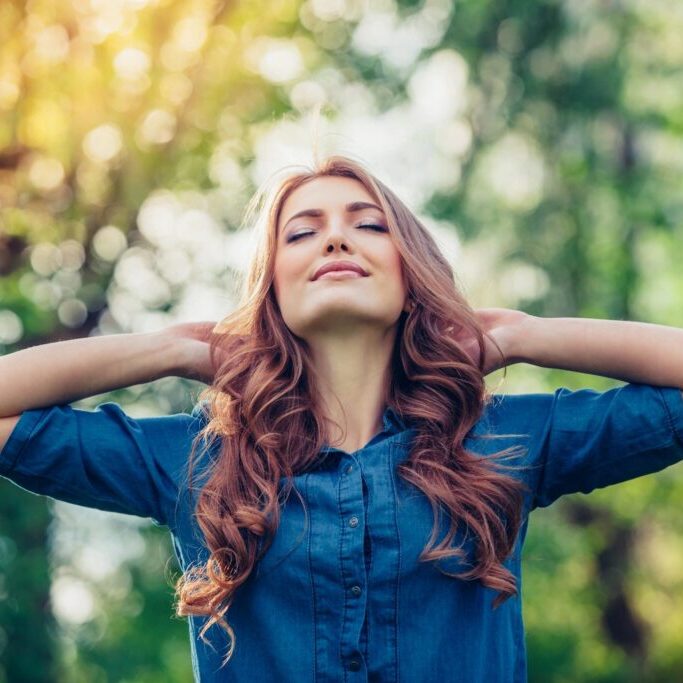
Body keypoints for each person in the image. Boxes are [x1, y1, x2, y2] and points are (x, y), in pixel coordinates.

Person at [1, 154, 682, 683]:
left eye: (367, 224)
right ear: (272, 288)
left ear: (409, 272)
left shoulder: (506, 442)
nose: (334, 239)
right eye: (301, 231)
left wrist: (518, 334)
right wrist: (175, 347)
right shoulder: (196, 459)